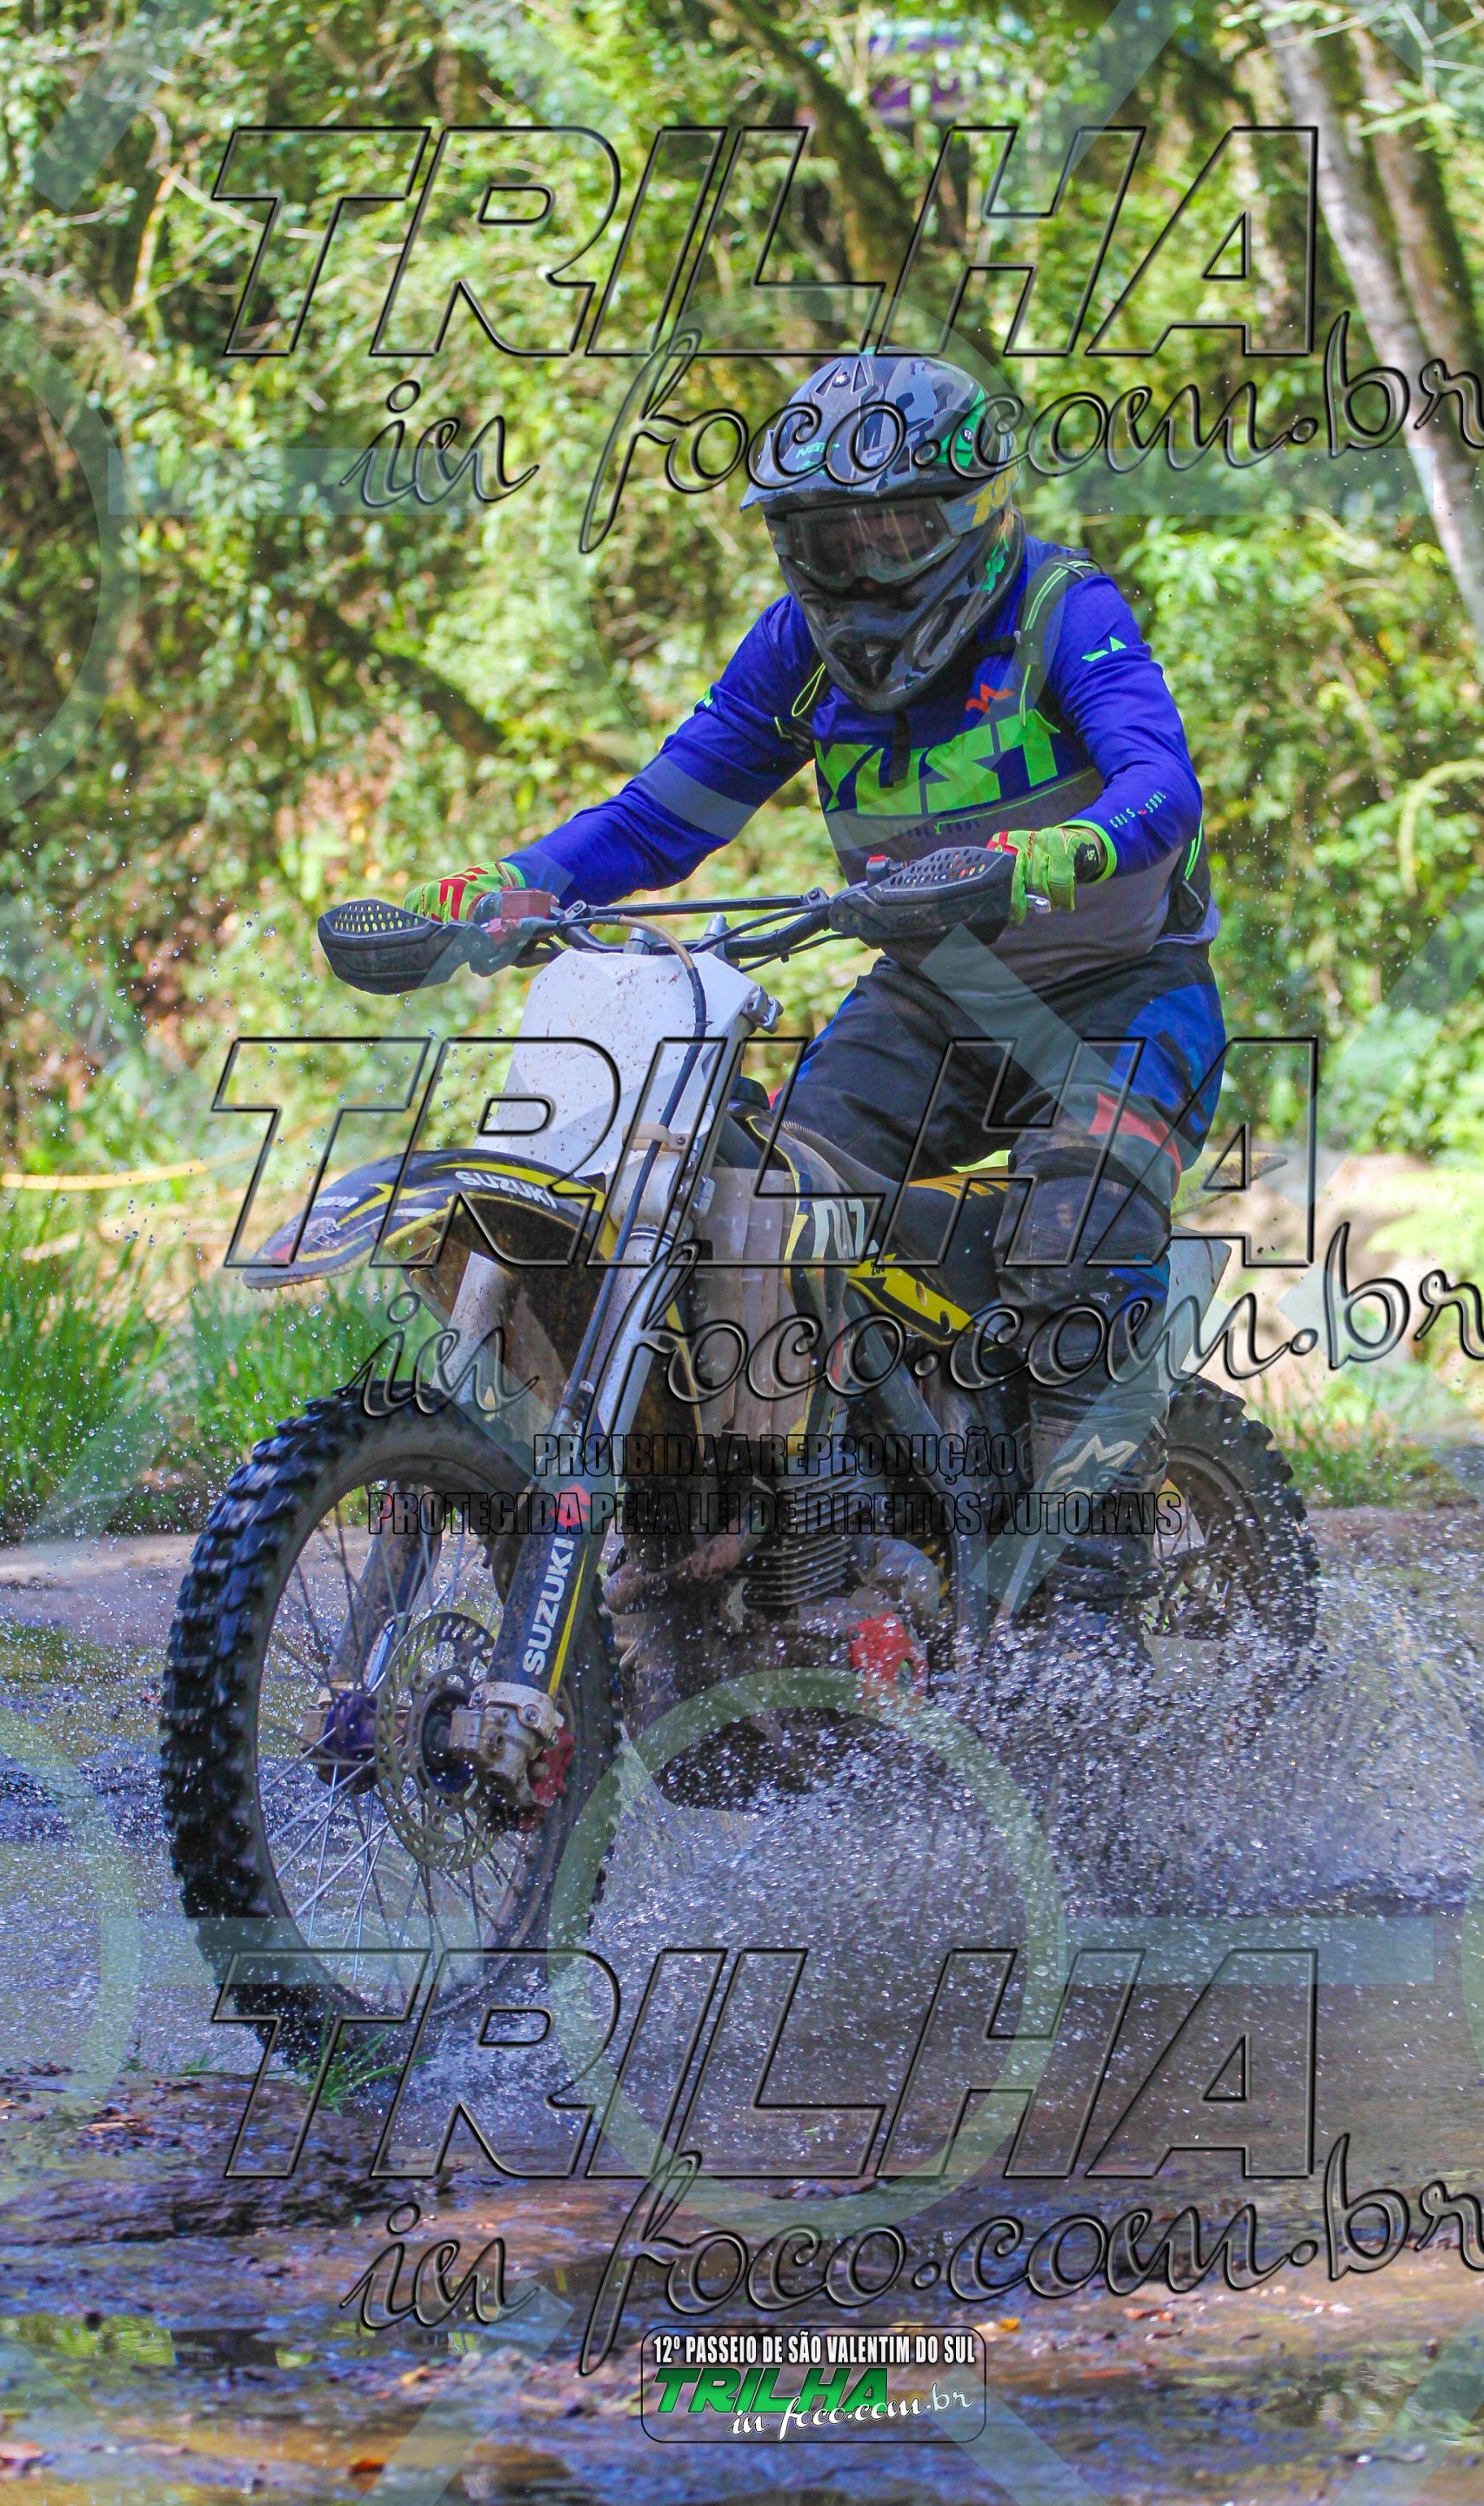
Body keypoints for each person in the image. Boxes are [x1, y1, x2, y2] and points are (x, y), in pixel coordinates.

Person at [403, 353, 1226, 1623]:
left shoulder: (1061, 609)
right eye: (829, 538)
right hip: (933, 995)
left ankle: (1090, 1614)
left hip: (1123, 994)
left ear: (970, 514)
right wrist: (514, 887)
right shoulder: (797, 651)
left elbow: (1160, 783)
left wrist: (1062, 847)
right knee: (758, 1211)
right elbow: (658, 819)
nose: (863, 567)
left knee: (1072, 1242)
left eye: (892, 530)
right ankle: (793, 1521)